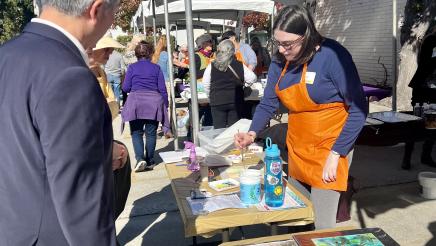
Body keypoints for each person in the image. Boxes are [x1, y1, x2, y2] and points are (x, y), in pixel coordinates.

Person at [234, 5, 367, 229]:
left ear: (306, 36)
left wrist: (337, 154)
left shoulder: (333, 56)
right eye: (278, 43)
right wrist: (252, 132)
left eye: (288, 44)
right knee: (295, 216)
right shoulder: (279, 61)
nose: (282, 50)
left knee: (321, 224)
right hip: (298, 145)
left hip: (330, 147)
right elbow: (268, 102)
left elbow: (359, 109)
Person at [0, 0, 121, 245]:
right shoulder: (70, 75)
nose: (112, 24)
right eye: (114, 13)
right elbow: (83, 207)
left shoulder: (7, 54)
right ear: (96, 9)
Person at [89, 36, 131, 219]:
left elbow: (110, 101)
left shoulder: (99, 71)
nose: (110, 52)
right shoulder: (80, 73)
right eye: (106, 49)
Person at [122, 41, 170, 172]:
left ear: (136, 54)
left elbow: (125, 88)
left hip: (136, 103)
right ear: (150, 54)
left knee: (136, 133)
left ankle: (140, 159)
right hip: (153, 103)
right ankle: (149, 160)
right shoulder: (156, 68)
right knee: (151, 133)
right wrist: (166, 104)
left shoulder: (132, 67)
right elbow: (162, 89)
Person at [202, 40, 257, 128]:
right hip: (235, 100)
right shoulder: (239, 64)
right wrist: (244, 86)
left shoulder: (212, 65)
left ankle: (220, 142)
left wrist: (210, 96)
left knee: (219, 130)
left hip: (217, 100)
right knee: (234, 130)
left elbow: (206, 84)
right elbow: (252, 78)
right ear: (233, 51)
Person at [403, 31, 436, 169]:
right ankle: (407, 158)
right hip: (423, 90)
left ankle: (426, 156)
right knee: (417, 124)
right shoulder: (431, 40)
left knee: (432, 125)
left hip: (433, 92)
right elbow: (426, 63)